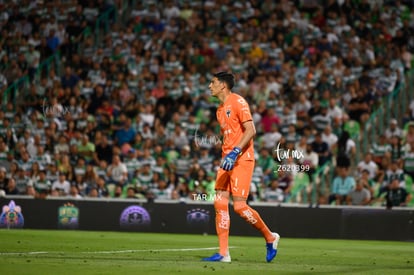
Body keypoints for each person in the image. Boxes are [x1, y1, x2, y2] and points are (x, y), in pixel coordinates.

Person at [202, 72, 280, 263]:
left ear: (223, 85)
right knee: (219, 203)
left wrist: (235, 151)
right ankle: (223, 253)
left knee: (239, 206)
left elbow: (251, 130)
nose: (210, 86)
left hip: (241, 158)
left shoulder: (238, 101)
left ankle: (270, 237)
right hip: (226, 159)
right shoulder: (219, 110)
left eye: (213, 82)